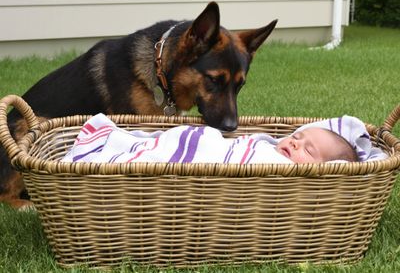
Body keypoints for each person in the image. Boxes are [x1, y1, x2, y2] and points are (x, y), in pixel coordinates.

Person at [62, 114, 366, 165]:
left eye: (308, 150)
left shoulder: (283, 176)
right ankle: (112, 145)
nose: (295, 143)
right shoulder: (264, 148)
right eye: (297, 137)